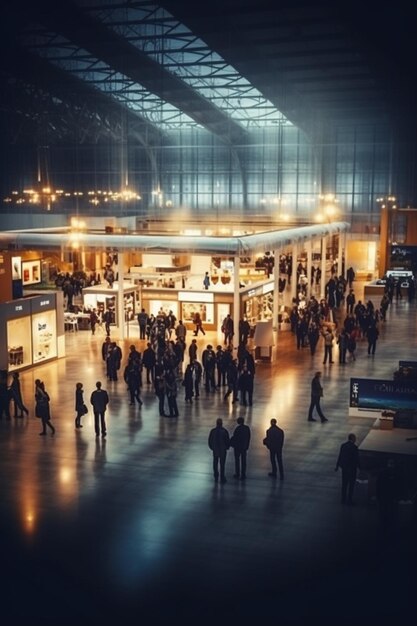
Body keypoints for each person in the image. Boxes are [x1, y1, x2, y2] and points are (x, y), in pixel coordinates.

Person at [335, 433, 360, 505]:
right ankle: (349, 499)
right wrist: (360, 467)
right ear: (352, 439)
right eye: (355, 438)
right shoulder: (354, 447)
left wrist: (337, 466)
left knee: (344, 484)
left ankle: (343, 499)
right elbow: (356, 459)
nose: (355, 440)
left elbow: (340, 456)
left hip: (345, 469)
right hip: (352, 469)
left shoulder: (343, 446)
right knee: (351, 485)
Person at [208, 418, 230, 484]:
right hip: (222, 450)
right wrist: (227, 447)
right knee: (222, 464)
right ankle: (222, 477)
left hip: (215, 450)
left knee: (215, 463)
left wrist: (212, 447)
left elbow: (210, 440)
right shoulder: (224, 431)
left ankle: (216, 475)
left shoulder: (213, 431)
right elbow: (227, 441)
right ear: (222, 423)